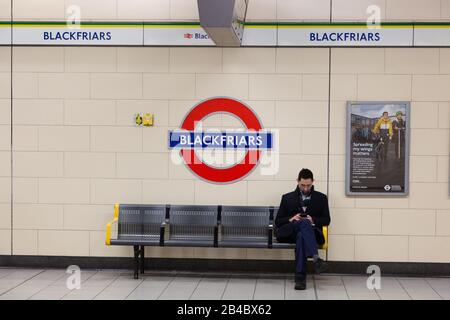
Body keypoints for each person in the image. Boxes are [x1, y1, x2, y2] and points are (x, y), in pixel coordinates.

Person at [275, 169, 331, 290]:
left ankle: (300, 279)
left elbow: (327, 220)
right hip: (291, 232)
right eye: (302, 185)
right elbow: (278, 221)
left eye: (308, 185)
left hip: (311, 233)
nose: (305, 188)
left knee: (302, 235)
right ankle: (316, 258)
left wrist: (313, 220)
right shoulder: (287, 198)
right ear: (297, 182)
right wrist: (291, 218)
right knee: (302, 225)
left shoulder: (321, 198)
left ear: (313, 182)